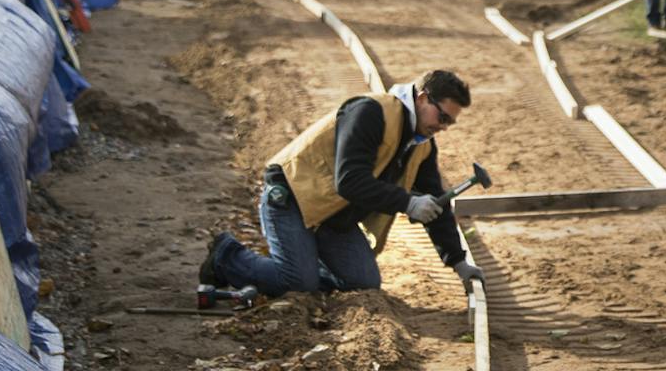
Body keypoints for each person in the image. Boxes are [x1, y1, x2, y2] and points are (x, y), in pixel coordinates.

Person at [201, 68, 489, 298]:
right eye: (442, 117)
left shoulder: (423, 144)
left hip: (333, 215)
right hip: (292, 198)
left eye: (450, 123)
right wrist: (408, 202)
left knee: (363, 284)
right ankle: (226, 256)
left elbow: (435, 202)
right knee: (298, 283)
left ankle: (306, 261)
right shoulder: (370, 112)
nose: (443, 127)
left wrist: (459, 262)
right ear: (424, 98)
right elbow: (350, 181)